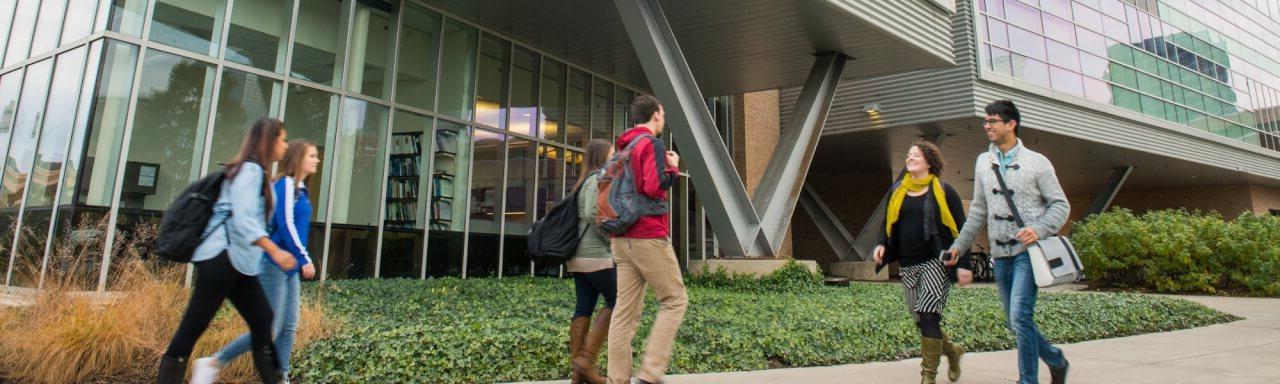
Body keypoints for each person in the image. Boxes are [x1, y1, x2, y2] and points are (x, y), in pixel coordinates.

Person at [158, 118, 296, 384]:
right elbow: (244, 219)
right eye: (283, 139)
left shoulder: (257, 173)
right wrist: (274, 251)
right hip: (221, 258)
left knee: (263, 319)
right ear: (269, 140)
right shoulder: (250, 171)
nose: (286, 145)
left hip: (239, 262)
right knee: (194, 325)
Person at [949, 100, 1071, 384]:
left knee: (1020, 316)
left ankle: (1028, 380)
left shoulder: (1037, 163)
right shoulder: (983, 161)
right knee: (1015, 321)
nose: (987, 126)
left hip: (1028, 252)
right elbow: (978, 210)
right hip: (1000, 253)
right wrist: (958, 245)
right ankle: (1055, 359)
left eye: (992, 121)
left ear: (1011, 124)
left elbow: (1060, 206)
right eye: (986, 121)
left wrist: (1039, 229)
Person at [191, 140, 321, 384]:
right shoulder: (284, 185)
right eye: (312, 155)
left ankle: (280, 376)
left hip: (288, 266)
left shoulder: (301, 189)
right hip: (273, 265)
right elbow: (285, 224)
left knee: (289, 326)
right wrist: (304, 256)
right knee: (270, 329)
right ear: (298, 158)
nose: (317, 160)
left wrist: (297, 258)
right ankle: (213, 362)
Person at [873, 141, 973, 384]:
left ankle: (928, 377)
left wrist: (965, 265)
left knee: (928, 313)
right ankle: (951, 350)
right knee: (921, 321)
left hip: (936, 263)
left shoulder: (944, 190)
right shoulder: (897, 190)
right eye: (908, 155)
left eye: (916, 155)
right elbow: (888, 223)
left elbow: (963, 230)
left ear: (930, 161)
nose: (910, 158)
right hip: (908, 263)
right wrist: (881, 245)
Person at [607, 95, 685, 384]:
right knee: (675, 299)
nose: (663, 119)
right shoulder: (651, 143)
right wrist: (673, 169)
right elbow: (653, 187)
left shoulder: (623, 148)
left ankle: (618, 379)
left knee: (624, 313)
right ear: (655, 115)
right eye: (662, 113)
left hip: (620, 238)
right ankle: (650, 374)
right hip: (646, 235)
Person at [568, 139, 618, 384]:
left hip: (578, 257)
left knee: (584, 307)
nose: (614, 158)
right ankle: (586, 359)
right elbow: (593, 213)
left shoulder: (582, 181)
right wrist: (610, 238)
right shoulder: (597, 178)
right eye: (611, 154)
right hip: (594, 256)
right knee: (617, 300)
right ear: (602, 157)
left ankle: (579, 375)